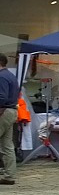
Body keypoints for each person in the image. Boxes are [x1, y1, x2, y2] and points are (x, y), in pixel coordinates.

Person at [0, 54, 18, 186]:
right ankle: (9, 175)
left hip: (3, 111)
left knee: (7, 145)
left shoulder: (1, 76)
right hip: (11, 111)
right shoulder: (10, 75)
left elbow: (1, 97)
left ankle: (9, 175)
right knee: (7, 145)